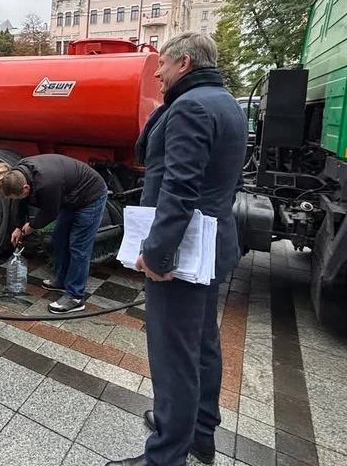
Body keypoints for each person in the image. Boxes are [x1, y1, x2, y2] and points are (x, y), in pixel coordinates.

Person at [105, 33, 247, 466]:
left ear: (184, 62)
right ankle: (199, 433)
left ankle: (166, 456)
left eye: (162, 65)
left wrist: (158, 253)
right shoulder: (226, 103)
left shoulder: (190, 107)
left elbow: (180, 187)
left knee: (173, 356)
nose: (158, 74)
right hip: (212, 242)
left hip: (184, 251)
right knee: (201, 344)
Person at [0, 154, 107, 314]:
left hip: (90, 197)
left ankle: (75, 297)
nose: (18, 198)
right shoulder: (18, 173)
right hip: (71, 195)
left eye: (20, 195)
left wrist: (32, 226)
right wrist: (17, 226)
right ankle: (62, 280)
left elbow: (50, 212)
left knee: (78, 246)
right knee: (59, 238)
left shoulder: (47, 184)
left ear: (26, 188)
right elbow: (19, 201)